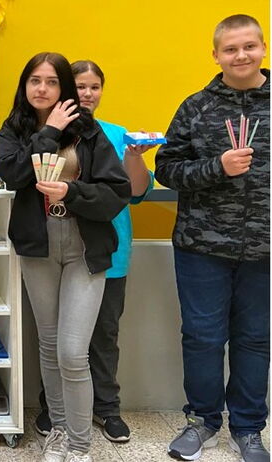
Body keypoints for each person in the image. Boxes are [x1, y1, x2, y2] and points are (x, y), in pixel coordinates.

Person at [0, 52, 130, 462]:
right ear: (24, 85)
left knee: (73, 352)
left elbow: (117, 192)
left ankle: (80, 444)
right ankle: (57, 433)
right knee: (50, 346)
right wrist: (49, 131)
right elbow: (13, 174)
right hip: (38, 246)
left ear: (63, 89)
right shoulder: (14, 129)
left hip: (84, 246)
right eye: (34, 80)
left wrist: (72, 192)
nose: (42, 89)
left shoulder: (89, 131)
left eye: (52, 82)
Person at [155, 14, 269, 462]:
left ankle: (248, 428)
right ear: (216, 55)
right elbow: (166, 169)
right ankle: (202, 421)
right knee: (202, 338)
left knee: (254, 339)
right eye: (230, 49)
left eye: (249, 46)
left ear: (263, 48)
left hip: (264, 248)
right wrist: (215, 167)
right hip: (201, 246)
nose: (241, 55)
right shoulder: (196, 106)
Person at [34, 60, 155, 444]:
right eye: (80, 86)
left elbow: (136, 192)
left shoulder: (118, 135)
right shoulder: (48, 130)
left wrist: (134, 156)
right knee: (56, 339)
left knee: (103, 336)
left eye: (94, 87)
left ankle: (106, 408)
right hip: (58, 248)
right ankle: (55, 410)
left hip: (108, 251)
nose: (87, 94)